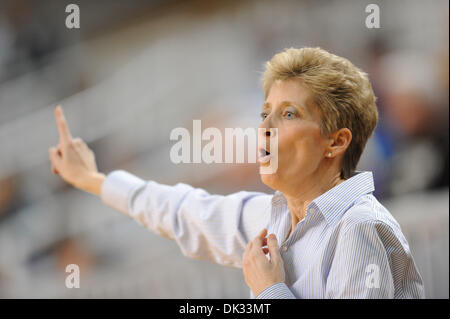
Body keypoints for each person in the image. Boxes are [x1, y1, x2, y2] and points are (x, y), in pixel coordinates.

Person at [49, 47, 425, 299]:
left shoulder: (358, 226)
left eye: (289, 114)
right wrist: (92, 180)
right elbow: (184, 210)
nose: (264, 128)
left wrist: (269, 291)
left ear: (336, 141)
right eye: (265, 113)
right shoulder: (272, 216)